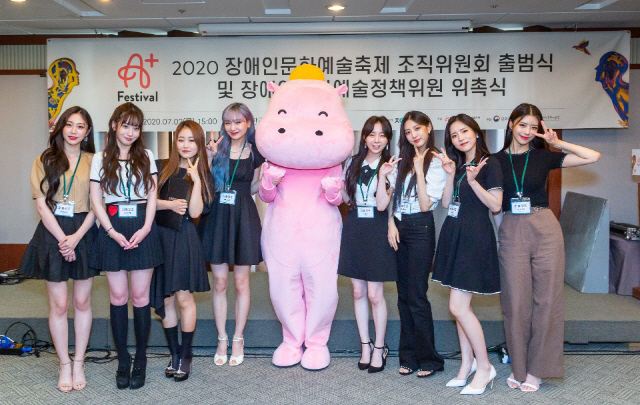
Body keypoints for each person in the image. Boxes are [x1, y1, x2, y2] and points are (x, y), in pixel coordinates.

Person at [494, 103, 600, 392]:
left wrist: (557, 142)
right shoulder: (494, 160)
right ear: (511, 124)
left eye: (533, 127)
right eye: (522, 125)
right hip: (512, 228)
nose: (527, 131)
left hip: (544, 227)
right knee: (515, 302)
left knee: (547, 299)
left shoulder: (543, 156)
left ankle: (537, 370)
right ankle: (519, 367)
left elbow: (592, 156)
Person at [18, 106, 98, 392]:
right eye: (69, 124)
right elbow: (42, 205)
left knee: (82, 302)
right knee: (60, 304)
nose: (74, 131)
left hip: (84, 231)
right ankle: (64, 363)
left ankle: (79, 362)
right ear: (61, 127)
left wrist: (75, 237)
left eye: (80, 126)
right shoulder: (44, 159)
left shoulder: (95, 161)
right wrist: (64, 239)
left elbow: (98, 205)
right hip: (53, 232)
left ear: (88, 132)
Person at [89, 102, 163, 390]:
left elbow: (153, 196)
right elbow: (96, 200)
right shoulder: (99, 158)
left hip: (142, 225)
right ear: (114, 125)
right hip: (113, 225)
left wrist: (146, 227)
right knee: (118, 296)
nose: (131, 132)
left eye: (136, 127)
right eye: (126, 125)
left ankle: (141, 358)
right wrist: (109, 231)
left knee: (141, 297)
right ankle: (123, 359)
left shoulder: (146, 155)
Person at [431, 114, 503, 395]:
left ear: (476, 132)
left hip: (474, 237)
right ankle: (467, 364)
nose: (460, 138)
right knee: (460, 308)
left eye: (464, 131)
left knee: (458, 307)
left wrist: (474, 182)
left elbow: (495, 205)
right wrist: (451, 175)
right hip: (454, 234)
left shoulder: (490, 163)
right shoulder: (459, 165)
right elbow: (446, 202)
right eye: (454, 135)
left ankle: (484, 367)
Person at [199, 102, 264, 366]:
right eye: (228, 122)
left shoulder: (256, 152)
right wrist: (210, 158)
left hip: (244, 218)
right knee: (220, 282)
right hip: (218, 218)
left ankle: (238, 338)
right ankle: (222, 338)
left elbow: (253, 187)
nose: (233, 127)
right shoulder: (217, 148)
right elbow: (207, 186)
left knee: (241, 283)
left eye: (238, 121)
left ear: (248, 123)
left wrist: (268, 182)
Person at [150, 120, 213, 381]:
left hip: (185, 238)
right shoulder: (161, 167)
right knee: (165, 299)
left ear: (199, 144)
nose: (186, 145)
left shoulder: (204, 174)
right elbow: (147, 202)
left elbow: (196, 212)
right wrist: (169, 205)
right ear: (174, 141)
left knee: (185, 299)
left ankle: (186, 355)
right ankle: (174, 353)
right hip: (161, 237)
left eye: (191, 140)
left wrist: (196, 181)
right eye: (181, 139)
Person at [387, 111, 446, 377]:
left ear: (429, 127)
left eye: (418, 129)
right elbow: (393, 200)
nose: (414, 135)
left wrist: (420, 170)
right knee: (403, 295)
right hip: (400, 227)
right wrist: (391, 223)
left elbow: (424, 205)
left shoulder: (437, 162)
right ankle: (408, 357)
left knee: (417, 296)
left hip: (421, 228)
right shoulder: (401, 160)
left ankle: (430, 359)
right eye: (408, 132)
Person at [338, 116, 399, 373]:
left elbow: (383, 204)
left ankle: (380, 347)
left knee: (375, 294)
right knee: (357, 291)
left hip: (377, 227)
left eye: (382, 135)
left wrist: (383, 176)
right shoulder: (351, 162)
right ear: (364, 137)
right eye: (372, 134)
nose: (377, 140)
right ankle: (365, 345)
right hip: (355, 225)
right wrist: (335, 187)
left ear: (388, 139)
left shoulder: (391, 165)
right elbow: (346, 198)